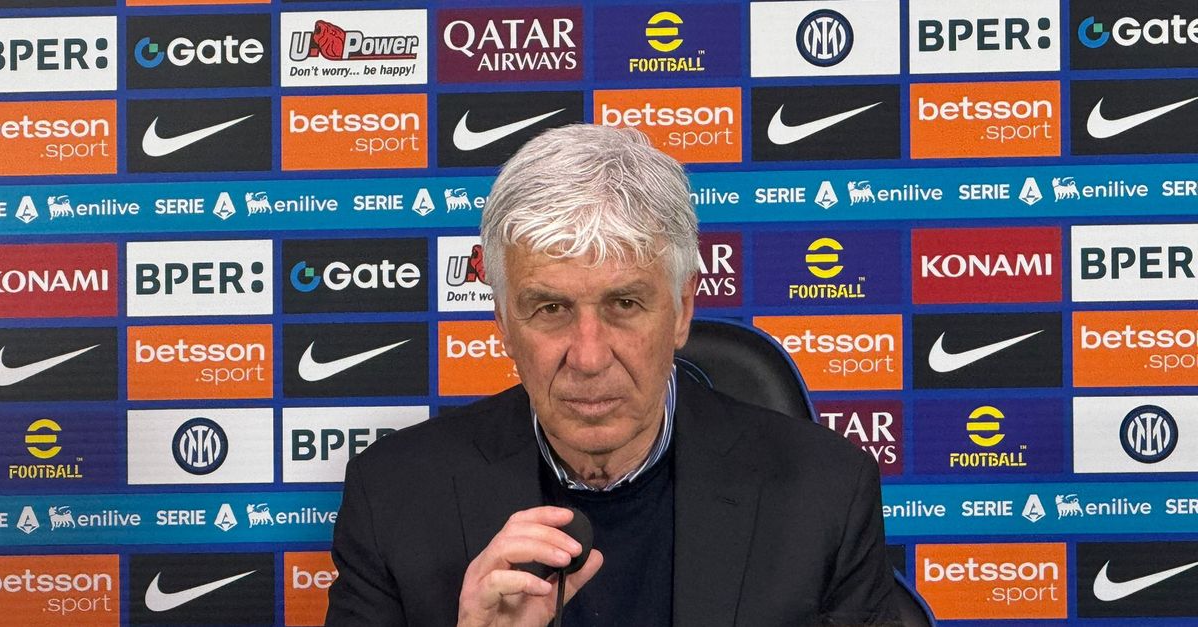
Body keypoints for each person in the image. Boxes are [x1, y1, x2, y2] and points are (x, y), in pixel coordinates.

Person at [325, 124, 898, 626]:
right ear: (503, 323)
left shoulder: (826, 493)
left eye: (624, 304)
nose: (589, 357)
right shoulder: (394, 497)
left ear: (682, 310)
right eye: (551, 308)